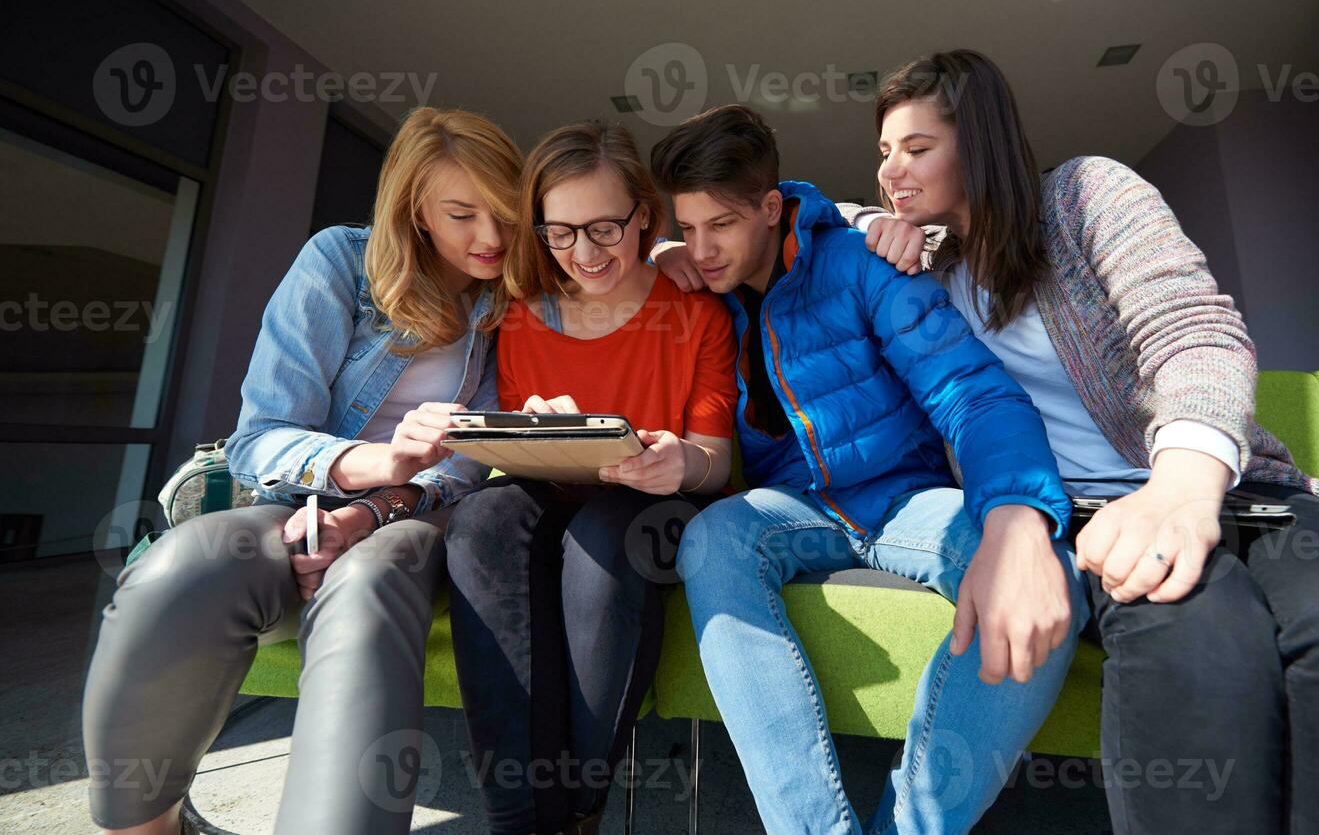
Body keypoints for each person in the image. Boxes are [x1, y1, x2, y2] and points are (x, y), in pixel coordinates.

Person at [665, 49, 1319, 833]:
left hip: (1203, 486)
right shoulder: (917, 260)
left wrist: (1174, 489)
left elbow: (1181, 331)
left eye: (914, 148)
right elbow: (807, 225)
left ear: (976, 144)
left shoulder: (1081, 197)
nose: (889, 171)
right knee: (1197, 651)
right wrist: (664, 253)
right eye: (883, 152)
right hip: (1071, 514)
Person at [645, 103, 1088, 833]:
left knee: (1041, 575)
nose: (703, 248)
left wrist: (1018, 516)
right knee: (711, 539)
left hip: (907, 500)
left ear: (767, 206)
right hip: (788, 510)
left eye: (718, 226)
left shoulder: (862, 263)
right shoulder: (697, 291)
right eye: (686, 228)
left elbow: (970, 395)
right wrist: (658, 253)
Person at [83, 107, 522, 835]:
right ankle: (150, 826)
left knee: (367, 581)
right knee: (179, 568)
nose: (491, 238)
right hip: (299, 503)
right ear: (415, 207)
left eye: (507, 215)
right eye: (462, 213)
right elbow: (259, 436)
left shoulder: (512, 299)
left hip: (421, 518)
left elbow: (474, 460)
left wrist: (380, 504)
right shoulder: (339, 263)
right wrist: (365, 463)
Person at [443, 120, 737, 835]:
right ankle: (521, 820)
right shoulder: (519, 317)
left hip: (652, 501)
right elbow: (506, 455)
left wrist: (679, 461)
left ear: (644, 215)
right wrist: (535, 429)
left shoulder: (695, 313)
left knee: (601, 542)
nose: (584, 253)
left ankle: (577, 808)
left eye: (605, 228)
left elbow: (715, 457)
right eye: (560, 233)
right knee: (480, 521)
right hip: (554, 491)